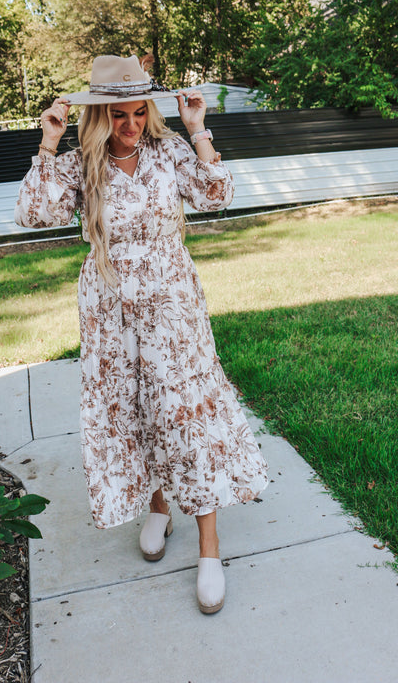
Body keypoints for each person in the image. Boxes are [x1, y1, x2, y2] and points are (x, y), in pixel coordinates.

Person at [15, 54, 268, 614]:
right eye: (118, 115)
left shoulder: (168, 151)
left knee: (185, 413)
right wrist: (49, 142)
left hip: (172, 302)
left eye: (138, 112)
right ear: (98, 117)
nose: (130, 124)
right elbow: (33, 214)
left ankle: (209, 546)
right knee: (130, 407)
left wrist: (199, 130)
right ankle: (158, 506)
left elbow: (216, 195)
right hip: (108, 308)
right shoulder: (84, 162)